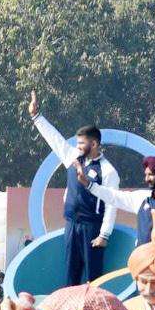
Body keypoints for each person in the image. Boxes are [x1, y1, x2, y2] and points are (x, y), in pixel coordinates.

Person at [29, 91, 119, 287]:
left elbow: (112, 206)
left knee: (93, 280)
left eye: (81, 143)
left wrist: (104, 235)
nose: (77, 146)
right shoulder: (72, 157)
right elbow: (56, 140)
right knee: (71, 275)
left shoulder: (108, 171)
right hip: (72, 224)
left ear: (94, 144)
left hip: (92, 228)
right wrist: (37, 117)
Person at [76, 153, 155, 276]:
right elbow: (114, 197)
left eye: (151, 175)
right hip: (144, 265)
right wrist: (89, 185)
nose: (147, 179)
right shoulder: (142, 197)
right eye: (146, 175)